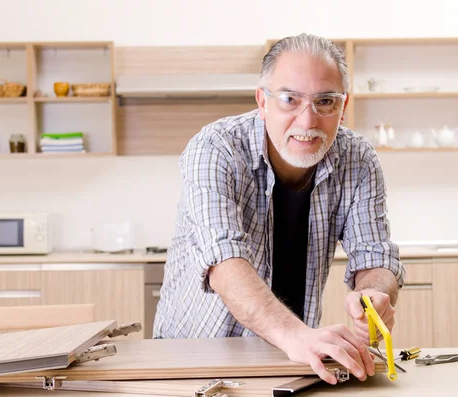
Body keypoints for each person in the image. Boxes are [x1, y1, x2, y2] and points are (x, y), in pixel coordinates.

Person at [153, 33, 405, 385]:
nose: (308, 121)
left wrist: (374, 293)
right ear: (263, 101)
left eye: (325, 102)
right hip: (194, 358)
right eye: (290, 99)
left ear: (342, 106)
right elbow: (225, 263)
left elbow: (374, 255)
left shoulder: (357, 159)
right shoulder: (215, 149)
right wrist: (297, 335)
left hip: (291, 357)